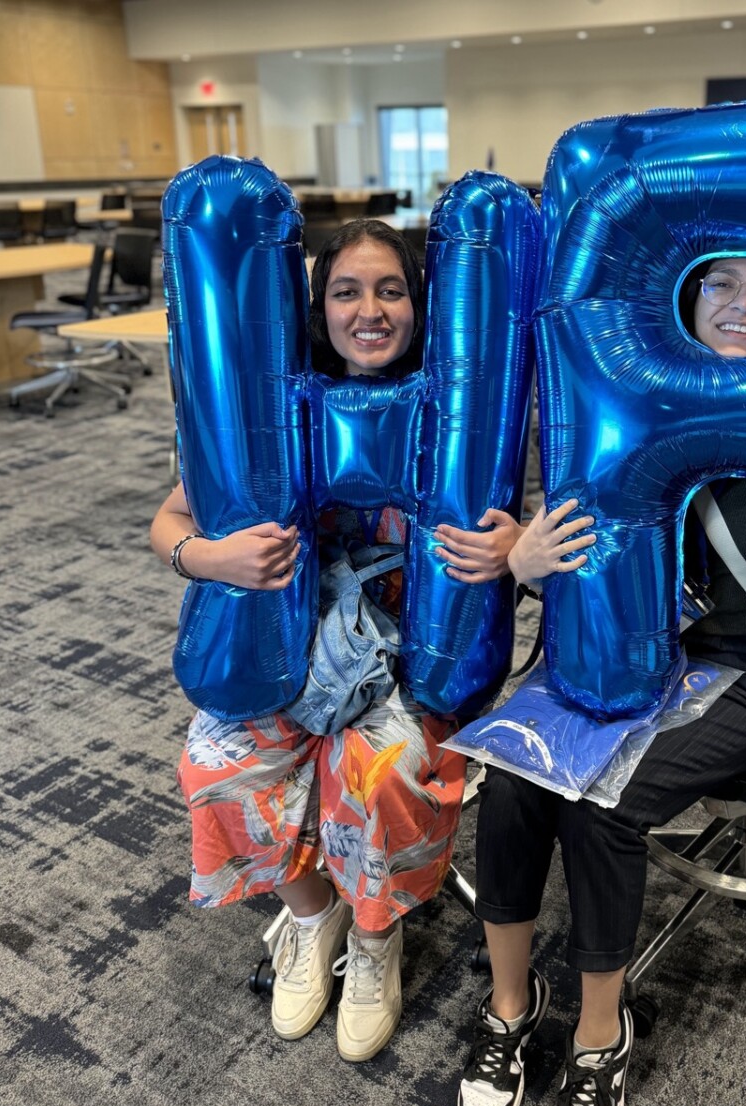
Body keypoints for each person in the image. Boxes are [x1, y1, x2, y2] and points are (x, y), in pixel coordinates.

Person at [455, 255, 746, 1106]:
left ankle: (600, 1040)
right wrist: (523, 558)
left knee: (601, 803)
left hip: (740, 670)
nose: (743, 305)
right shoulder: (625, 400)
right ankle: (511, 1007)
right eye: (720, 283)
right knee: (517, 773)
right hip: (615, 651)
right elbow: (561, 540)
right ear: (684, 296)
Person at [151, 218, 517, 1061]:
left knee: (377, 767)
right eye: (346, 291)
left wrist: (512, 546)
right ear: (319, 309)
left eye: (391, 290)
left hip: (409, 655)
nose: (370, 310)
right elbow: (169, 518)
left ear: (420, 305)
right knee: (215, 763)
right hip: (286, 641)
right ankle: (314, 920)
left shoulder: (459, 408)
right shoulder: (277, 407)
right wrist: (208, 554)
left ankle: (376, 939)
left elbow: (530, 523)